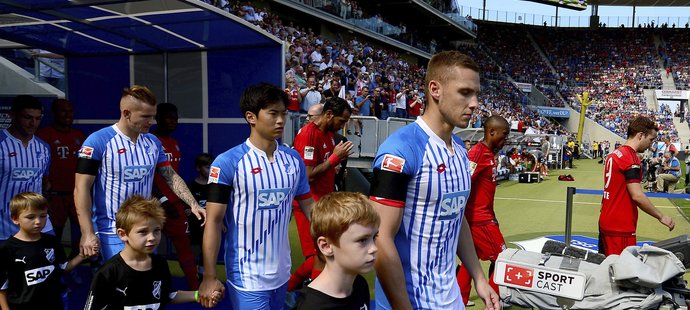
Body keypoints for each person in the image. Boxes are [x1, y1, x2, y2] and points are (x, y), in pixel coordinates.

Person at [369, 51, 499, 310]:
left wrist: (479, 277)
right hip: (409, 301)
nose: (474, 103)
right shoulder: (399, 150)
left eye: (476, 94)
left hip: (449, 298)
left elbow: (456, 216)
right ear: (435, 89)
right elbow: (380, 239)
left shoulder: (460, 149)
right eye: (464, 92)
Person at [198, 83, 314, 308]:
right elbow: (213, 221)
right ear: (251, 117)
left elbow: (310, 207)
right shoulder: (227, 163)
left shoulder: (293, 160)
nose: (280, 120)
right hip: (246, 275)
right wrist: (209, 276)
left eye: (284, 113)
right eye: (273, 113)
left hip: (282, 271)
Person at [75, 86, 205, 262]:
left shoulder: (153, 142)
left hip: (145, 228)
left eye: (153, 116)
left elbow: (170, 175)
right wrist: (87, 232)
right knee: (121, 285)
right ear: (126, 113)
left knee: (145, 284)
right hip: (112, 230)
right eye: (145, 116)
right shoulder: (98, 141)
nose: (151, 121)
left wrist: (193, 203)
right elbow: (81, 188)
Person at [84, 195, 221, 309]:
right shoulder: (109, 272)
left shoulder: (160, 264)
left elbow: (167, 294)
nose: (152, 238)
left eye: (156, 230)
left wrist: (200, 295)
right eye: (143, 232)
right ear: (122, 234)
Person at [290, 97, 354, 291]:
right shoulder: (309, 135)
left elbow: (321, 167)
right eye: (341, 121)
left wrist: (333, 166)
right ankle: (305, 291)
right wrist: (335, 159)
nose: (343, 126)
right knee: (321, 255)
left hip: (321, 203)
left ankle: (293, 288)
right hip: (308, 204)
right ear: (328, 115)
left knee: (324, 254)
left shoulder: (327, 134)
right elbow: (308, 175)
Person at [599, 116, 675, 256]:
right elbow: (637, 195)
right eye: (651, 140)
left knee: (606, 269)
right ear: (640, 135)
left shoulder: (614, 154)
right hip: (621, 227)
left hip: (606, 220)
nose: (651, 145)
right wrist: (661, 216)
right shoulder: (630, 158)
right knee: (622, 273)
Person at [456, 116, 510, 306]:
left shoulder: (487, 153)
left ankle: (459, 301)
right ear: (491, 132)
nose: (505, 141)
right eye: (503, 136)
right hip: (480, 221)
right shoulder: (478, 153)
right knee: (503, 259)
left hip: (482, 218)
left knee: (468, 263)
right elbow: (462, 183)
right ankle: (493, 302)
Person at [0, 192, 86, 310]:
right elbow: (2, 287)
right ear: (15, 218)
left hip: (53, 304)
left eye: (43, 216)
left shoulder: (52, 242)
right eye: (31, 217)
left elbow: (63, 267)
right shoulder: (7, 249)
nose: (38, 221)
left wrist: (82, 256)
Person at [294, 192, 379, 310]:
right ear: (326, 246)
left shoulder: (359, 285)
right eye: (362, 240)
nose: (374, 248)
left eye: (374, 237)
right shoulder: (312, 306)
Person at [151, 102, 199, 289]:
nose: (173, 121)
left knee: (184, 246)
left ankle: (195, 287)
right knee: (147, 245)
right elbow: (150, 175)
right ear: (158, 118)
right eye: (169, 117)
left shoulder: (174, 143)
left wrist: (185, 201)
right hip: (153, 205)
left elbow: (173, 177)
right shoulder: (150, 141)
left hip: (175, 204)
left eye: (176, 118)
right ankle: (149, 286)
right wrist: (162, 200)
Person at [36, 98, 85, 258]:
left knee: (86, 229)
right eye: (63, 111)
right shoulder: (43, 135)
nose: (67, 114)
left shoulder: (79, 136)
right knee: (53, 234)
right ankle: (57, 265)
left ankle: (73, 261)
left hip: (76, 194)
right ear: (54, 113)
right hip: (54, 196)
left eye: (70, 111)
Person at [0, 95, 52, 241]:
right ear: (13, 116)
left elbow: (44, 181)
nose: (33, 123)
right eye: (27, 117)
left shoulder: (44, 148)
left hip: (38, 224)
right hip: (4, 228)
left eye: (37, 118)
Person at [186, 153, 214, 261]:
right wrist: (187, 210)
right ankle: (194, 275)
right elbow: (186, 206)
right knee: (194, 252)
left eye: (212, 167)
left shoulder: (214, 186)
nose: (210, 170)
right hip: (194, 226)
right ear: (198, 168)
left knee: (207, 253)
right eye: (207, 167)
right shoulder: (190, 187)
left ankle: (204, 274)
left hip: (209, 226)